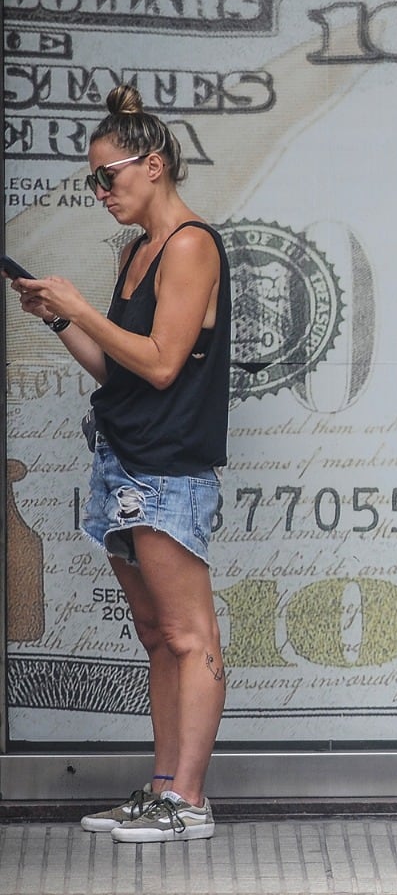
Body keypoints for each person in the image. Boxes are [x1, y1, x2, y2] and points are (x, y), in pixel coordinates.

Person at [9, 84, 231, 841]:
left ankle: (189, 801)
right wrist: (60, 320)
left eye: (109, 176)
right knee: (156, 632)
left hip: (166, 465)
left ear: (155, 165)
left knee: (189, 633)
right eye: (93, 181)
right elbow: (121, 369)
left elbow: (165, 364)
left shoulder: (191, 244)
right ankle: (162, 788)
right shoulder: (138, 250)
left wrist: (82, 307)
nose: (101, 192)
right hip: (124, 459)